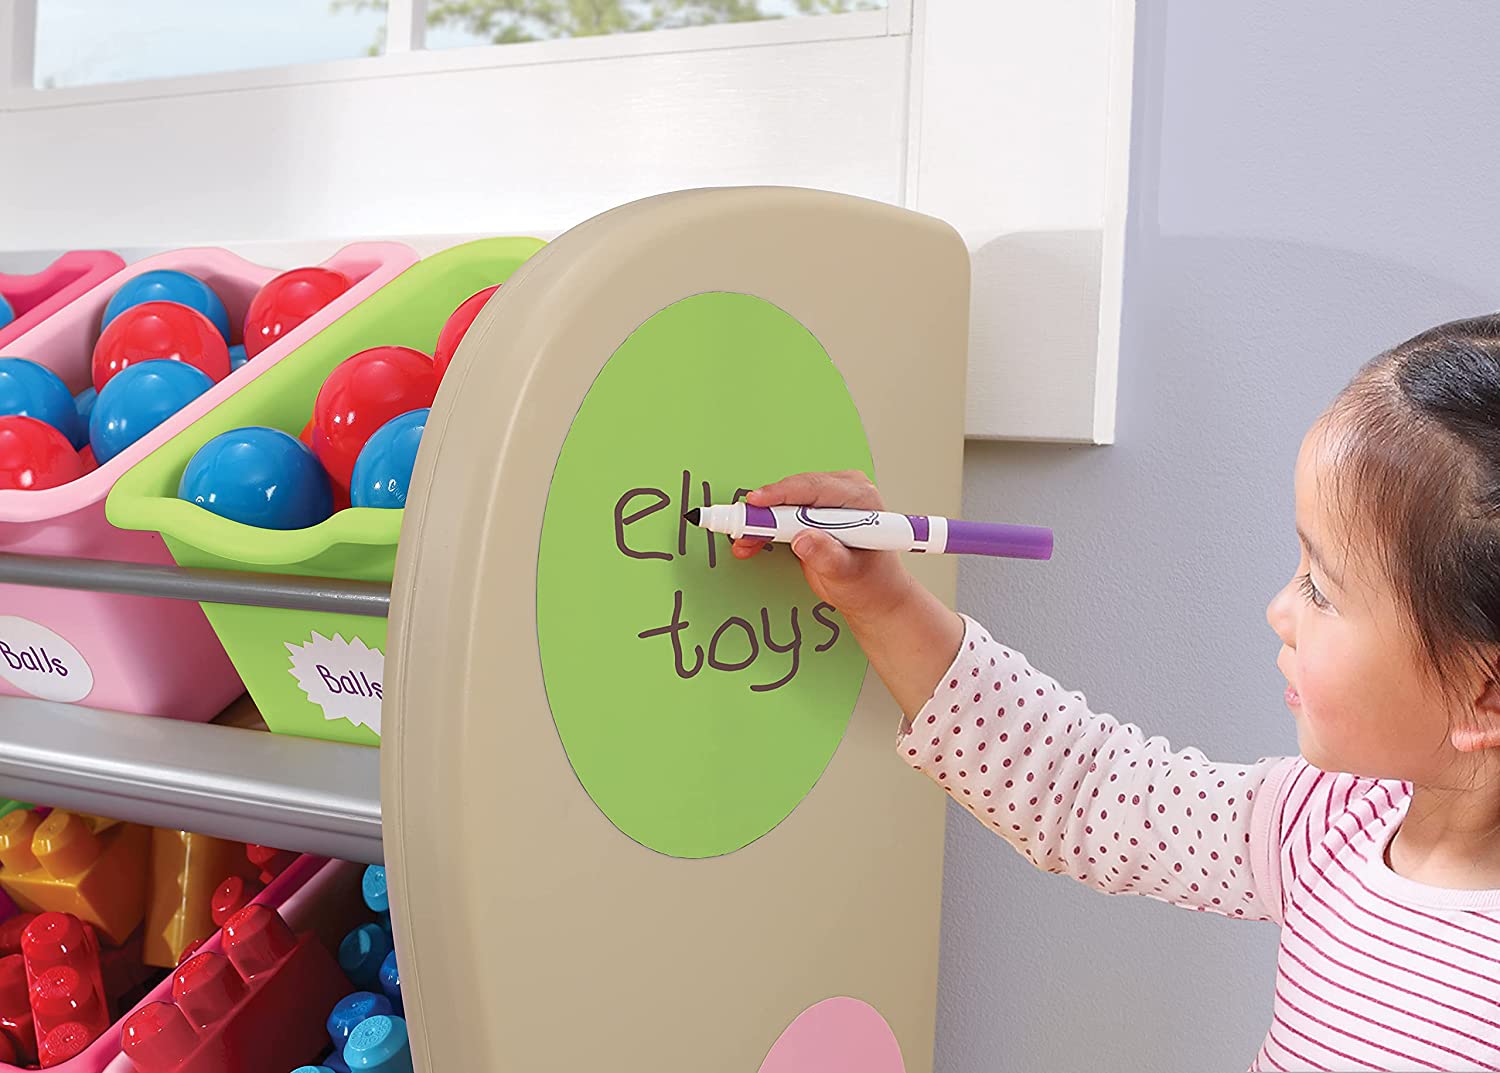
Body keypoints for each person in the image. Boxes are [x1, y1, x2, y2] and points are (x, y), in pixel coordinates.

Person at [733, 316, 1500, 1072]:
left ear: (1484, 697)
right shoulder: (1330, 818)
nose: (1280, 609)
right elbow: (1084, 787)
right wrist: (882, 599)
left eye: (1322, 589)